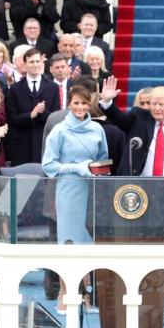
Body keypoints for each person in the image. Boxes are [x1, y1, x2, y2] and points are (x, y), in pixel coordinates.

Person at [41, 85, 109, 244]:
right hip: (69, 190)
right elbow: (48, 165)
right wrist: (76, 168)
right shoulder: (59, 130)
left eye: (84, 103)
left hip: (94, 191)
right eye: (76, 103)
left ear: (90, 105)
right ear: (69, 104)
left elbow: (103, 159)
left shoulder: (97, 129)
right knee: (70, 239)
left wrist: (98, 171)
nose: (80, 107)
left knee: (92, 240)